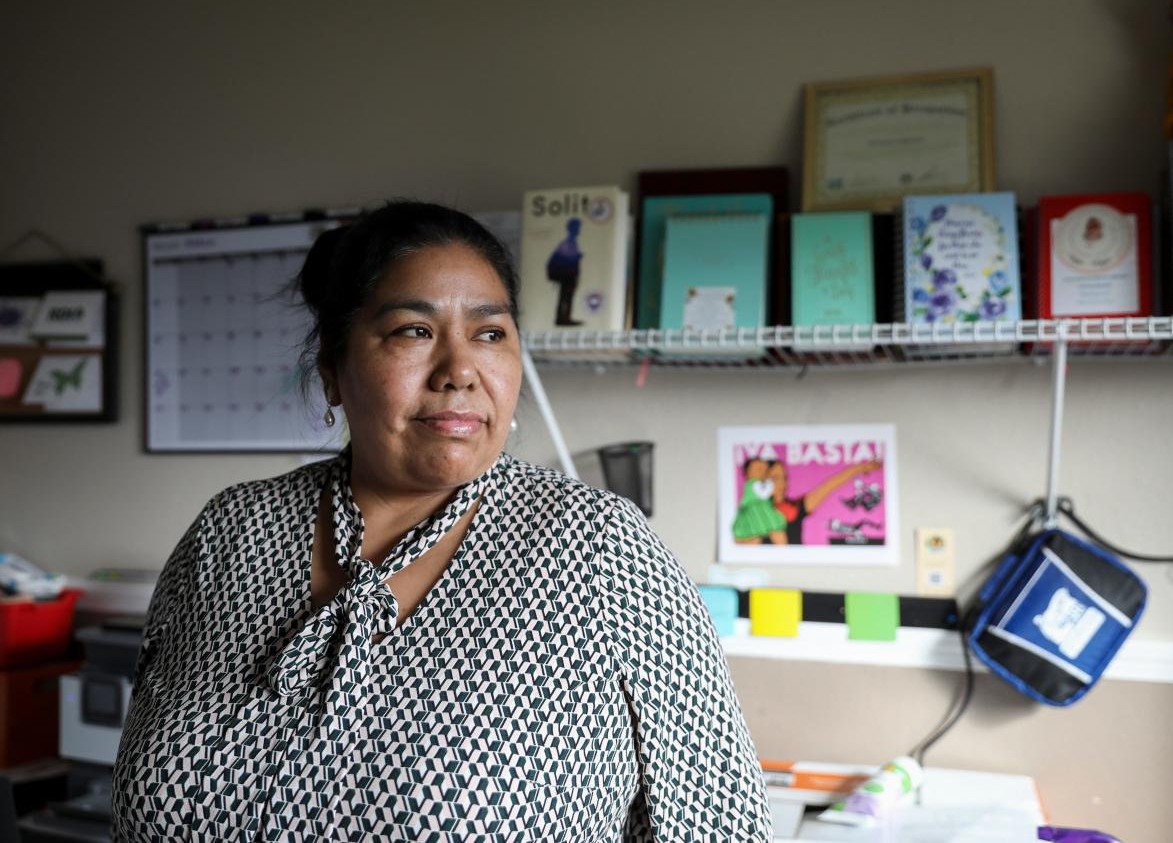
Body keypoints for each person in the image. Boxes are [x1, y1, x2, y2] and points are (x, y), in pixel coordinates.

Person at [112, 201, 771, 842]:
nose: (460, 371)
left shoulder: (598, 549)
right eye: (413, 331)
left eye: (490, 333)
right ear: (334, 370)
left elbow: (721, 823)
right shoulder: (231, 534)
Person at [766, 459, 882, 545]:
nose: (782, 483)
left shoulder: (794, 507)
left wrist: (858, 468)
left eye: (784, 478)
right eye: (775, 478)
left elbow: (828, 486)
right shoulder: (752, 513)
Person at [545, 216, 583, 325]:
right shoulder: (568, 243)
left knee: (565, 297)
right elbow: (567, 259)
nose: (578, 230)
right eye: (576, 227)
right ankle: (563, 318)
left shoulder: (571, 242)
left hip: (569, 275)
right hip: (567, 276)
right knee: (565, 297)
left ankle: (564, 318)